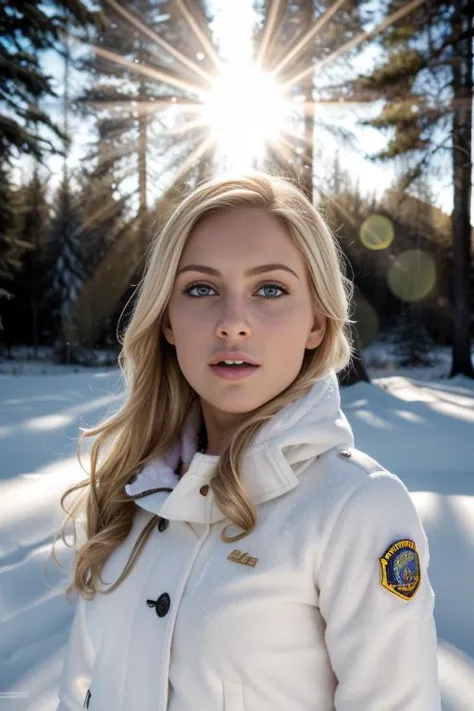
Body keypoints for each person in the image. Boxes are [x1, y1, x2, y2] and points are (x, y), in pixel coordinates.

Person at [52, 172, 441, 711]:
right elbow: (80, 693)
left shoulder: (357, 508)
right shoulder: (132, 492)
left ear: (317, 324)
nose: (233, 324)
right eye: (201, 289)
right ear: (167, 320)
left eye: (270, 290)